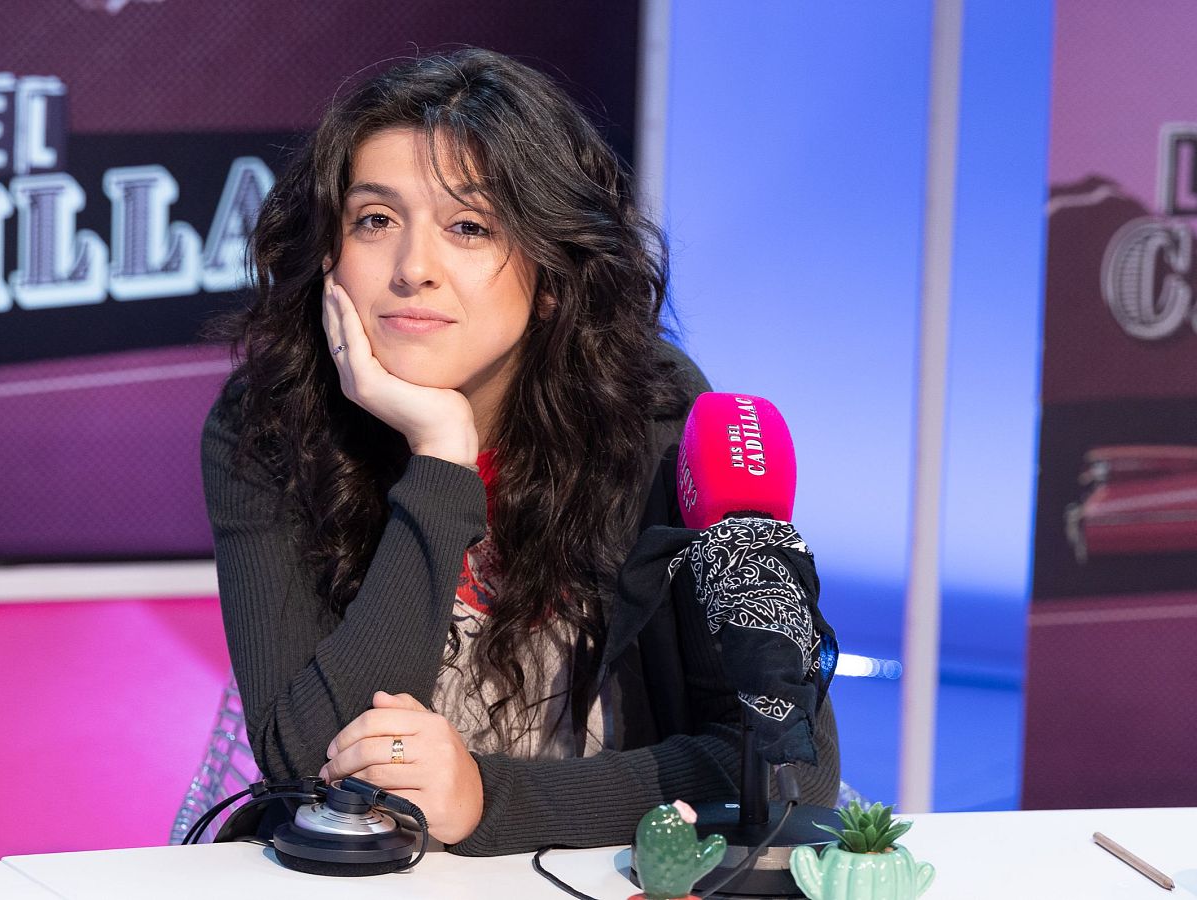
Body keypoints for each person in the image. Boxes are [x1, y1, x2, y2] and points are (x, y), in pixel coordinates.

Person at [201, 48, 839, 856]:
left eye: (469, 227)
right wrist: (440, 459)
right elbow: (311, 767)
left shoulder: (656, 413)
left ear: (548, 277)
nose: (412, 270)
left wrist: (486, 798)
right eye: (375, 220)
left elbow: (787, 768)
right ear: (330, 257)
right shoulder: (269, 423)